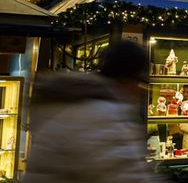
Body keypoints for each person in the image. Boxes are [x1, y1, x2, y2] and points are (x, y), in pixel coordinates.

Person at [25, 41, 166, 183]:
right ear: (128, 79)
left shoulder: (78, 105)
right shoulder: (103, 118)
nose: (141, 92)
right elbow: (127, 175)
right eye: (141, 82)